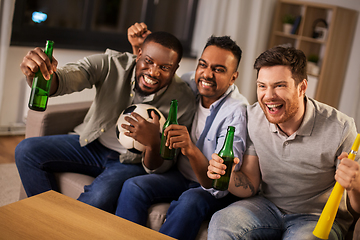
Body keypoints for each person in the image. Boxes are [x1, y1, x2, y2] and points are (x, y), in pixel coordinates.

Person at [15, 31, 196, 214]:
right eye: (148, 61)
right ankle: (46, 219)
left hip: (130, 163)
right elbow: (68, 78)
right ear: (138, 54)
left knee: (97, 199)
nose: (153, 72)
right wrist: (40, 74)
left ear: (175, 69)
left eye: (165, 68)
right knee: (26, 150)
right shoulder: (111, 63)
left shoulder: (183, 101)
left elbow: (162, 166)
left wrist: (153, 143)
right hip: (92, 144)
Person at [207, 46, 360, 239]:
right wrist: (225, 174)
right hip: (266, 206)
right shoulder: (253, 117)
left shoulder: (341, 128)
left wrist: (356, 184)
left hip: (316, 217)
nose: (268, 96)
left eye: (279, 85)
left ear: (302, 87)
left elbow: (356, 208)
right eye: (262, 86)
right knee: (223, 222)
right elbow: (250, 184)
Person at [115, 23, 249, 240]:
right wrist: (142, 48)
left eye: (219, 69)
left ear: (233, 77)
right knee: (134, 186)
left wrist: (189, 148)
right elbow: (151, 77)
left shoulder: (237, 112)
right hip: (180, 175)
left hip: (210, 188)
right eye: (203, 65)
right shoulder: (190, 83)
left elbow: (217, 183)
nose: (207, 74)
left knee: (189, 202)